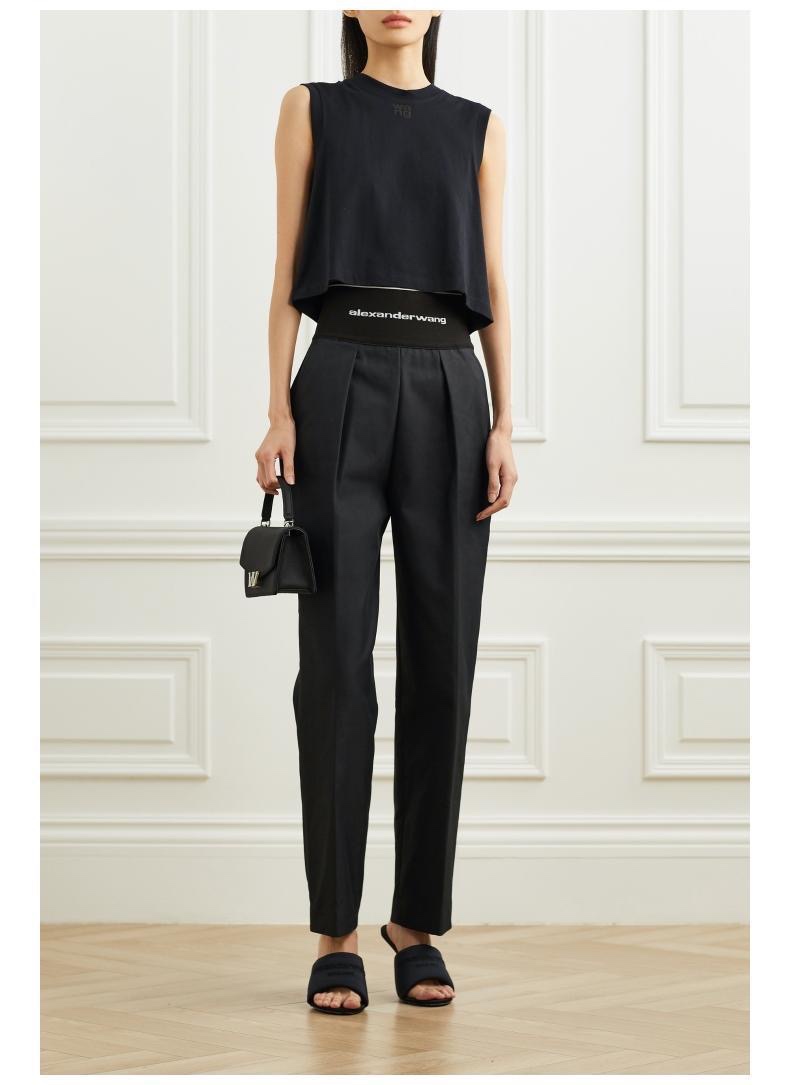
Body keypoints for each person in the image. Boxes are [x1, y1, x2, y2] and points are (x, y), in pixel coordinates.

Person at [255, 9, 517, 1015]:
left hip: (451, 384)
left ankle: (417, 921)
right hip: (338, 381)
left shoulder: (477, 126)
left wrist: (505, 420)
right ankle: (335, 928)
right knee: (334, 664)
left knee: (443, 661)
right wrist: (277, 407)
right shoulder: (310, 108)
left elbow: (493, 279)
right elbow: (286, 271)